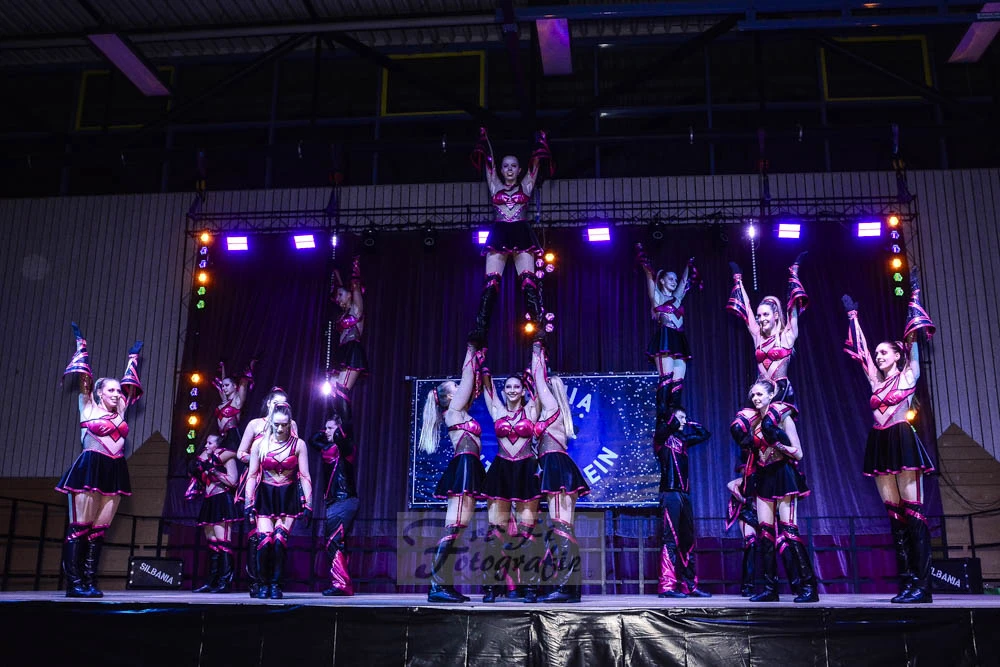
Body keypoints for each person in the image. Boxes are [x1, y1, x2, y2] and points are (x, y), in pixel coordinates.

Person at [842, 266, 936, 604]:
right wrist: (853, 316)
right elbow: (863, 352)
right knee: (895, 516)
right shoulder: (875, 381)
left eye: (885, 352)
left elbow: (913, 340)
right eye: (879, 353)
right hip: (880, 442)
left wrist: (914, 297)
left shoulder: (909, 374)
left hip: (902, 439)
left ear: (897, 355)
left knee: (914, 514)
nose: (879, 356)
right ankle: (907, 582)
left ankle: (923, 586)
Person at [56, 322, 142, 598]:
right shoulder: (88, 406)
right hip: (91, 466)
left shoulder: (121, 411)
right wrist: (81, 346)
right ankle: (74, 584)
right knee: (80, 527)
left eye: (118, 391)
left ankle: (89, 581)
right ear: (99, 392)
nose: (117, 394)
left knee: (98, 531)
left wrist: (133, 358)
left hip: (115, 469)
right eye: (111, 390)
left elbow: (131, 384)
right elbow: (85, 379)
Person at [731, 379, 819, 603]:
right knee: (765, 534)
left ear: (771, 395)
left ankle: (809, 587)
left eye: (760, 394)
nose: (756, 398)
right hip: (764, 477)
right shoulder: (753, 422)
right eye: (753, 395)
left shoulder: (782, 418)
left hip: (783, 475)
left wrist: (777, 444)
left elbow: (798, 453)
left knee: (789, 532)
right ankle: (770, 589)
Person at [468, 127, 555, 346]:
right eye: (506, 166)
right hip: (499, 233)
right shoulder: (494, 184)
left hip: (521, 233)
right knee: (490, 283)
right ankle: (480, 330)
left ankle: (538, 327)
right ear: (502, 169)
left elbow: (535, 164)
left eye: (513, 166)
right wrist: (484, 139)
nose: (509, 169)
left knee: (528, 281)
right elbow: (488, 163)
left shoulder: (526, 185)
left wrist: (541, 142)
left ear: (519, 169)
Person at [418, 343, 489, 603]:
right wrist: (469, 351)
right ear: (449, 397)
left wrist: (478, 358)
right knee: (454, 526)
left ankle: (443, 585)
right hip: (464, 466)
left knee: (457, 528)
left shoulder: (461, 411)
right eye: (455, 388)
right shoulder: (453, 412)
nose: (461, 389)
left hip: (469, 465)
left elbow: (473, 383)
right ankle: (437, 586)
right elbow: (468, 379)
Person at [530, 342, 590, 603]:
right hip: (556, 465)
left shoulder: (553, 407)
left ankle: (566, 588)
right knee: (562, 527)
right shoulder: (553, 412)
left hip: (557, 465)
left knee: (562, 527)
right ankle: (569, 588)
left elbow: (537, 377)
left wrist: (537, 351)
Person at [479, 365, 541, 603]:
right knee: (496, 531)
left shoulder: (532, 409)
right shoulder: (497, 409)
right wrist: (482, 366)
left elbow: (540, 387)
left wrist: (538, 355)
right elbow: (488, 387)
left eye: (517, 386)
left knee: (527, 532)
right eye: (508, 387)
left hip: (525, 469)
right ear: (503, 391)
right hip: (501, 470)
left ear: (523, 390)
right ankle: (490, 588)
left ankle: (531, 588)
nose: (513, 390)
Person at [243, 404, 312, 600]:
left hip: (287, 496)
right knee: (265, 542)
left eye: (284, 425)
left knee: (280, 541)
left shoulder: (299, 445)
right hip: (266, 495)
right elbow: (252, 475)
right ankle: (263, 583)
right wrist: (248, 503)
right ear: (270, 424)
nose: (280, 429)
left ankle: (276, 584)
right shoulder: (259, 445)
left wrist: (309, 504)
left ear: (290, 423)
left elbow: (305, 475)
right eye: (276, 425)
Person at [236, 387, 298, 597]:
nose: (278, 406)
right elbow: (240, 453)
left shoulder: (290, 425)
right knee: (257, 536)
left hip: (280, 484)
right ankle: (256, 582)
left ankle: (274, 582)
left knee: (278, 538)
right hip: (257, 481)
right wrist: (260, 458)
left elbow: (294, 452)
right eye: (275, 403)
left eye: (282, 403)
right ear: (268, 404)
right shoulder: (255, 424)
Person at [727, 253, 808, 408]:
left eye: (765, 315)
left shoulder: (787, 336)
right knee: (740, 422)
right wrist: (738, 279)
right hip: (761, 390)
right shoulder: (757, 335)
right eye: (759, 316)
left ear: (775, 315)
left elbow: (793, 308)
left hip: (781, 390)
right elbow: (747, 310)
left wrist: (794, 273)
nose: (761, 319)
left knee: (772, 421)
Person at [654, 408, 712, 599]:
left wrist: (689, 421)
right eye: (681, 417)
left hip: (684, 494)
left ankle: (689, 585)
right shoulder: (662, 438)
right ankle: (666, 586)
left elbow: (704, 434)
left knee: (687, 540)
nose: (684, 421)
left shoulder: (683, 440)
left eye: (685, 418)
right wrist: (674, 418)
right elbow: (667, 424)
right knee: (670, 540)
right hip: (670, 493)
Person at [636, 244, 700, 416]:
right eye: (670, 279)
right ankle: (662, 419)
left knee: (678, 383)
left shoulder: (677, 299)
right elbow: (649, 276)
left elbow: (685, 281)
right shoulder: (657, 297)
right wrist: (644, 262)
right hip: (665, 338)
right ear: (662, 281)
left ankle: (675, 418)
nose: (674, 281)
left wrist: (688, 265)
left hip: (678, 339)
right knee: (666, 378)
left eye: (675, 279)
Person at [307, 413, 359, 596]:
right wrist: (326, 431)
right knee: (335, 542)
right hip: (334, 502)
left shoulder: (346, 447)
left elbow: (342, 433)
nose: (326, 431)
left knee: (333, 542)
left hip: (344, 500)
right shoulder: (327, 447)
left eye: (330, 428)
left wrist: (338, 427)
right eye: (326, 428)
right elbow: (312, 439)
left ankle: (342, 585)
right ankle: (341, 583)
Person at [185, 433, 239, 593]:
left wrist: (214, 472)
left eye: (210, 443)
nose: (206, 445)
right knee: (212, 544)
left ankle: (225, 582)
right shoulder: (206, 460)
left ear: (218, 445)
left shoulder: (227, 458)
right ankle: (211, 582)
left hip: (222, 500)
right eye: (206, 443)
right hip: (209, 501)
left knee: (223, 542)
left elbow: (233, 481)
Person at [329, 256, 367, 424]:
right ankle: (336, 423)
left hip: (352, 350)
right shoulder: (344, 313)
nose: (338, 298)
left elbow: (355, 286)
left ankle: (345, 428)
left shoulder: (356, 308)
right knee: (333, 391)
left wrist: (355, 265)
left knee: (341, 389)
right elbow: (340, 286)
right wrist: (336, 272)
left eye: (340, 295)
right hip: (343, 351)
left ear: (350, 294)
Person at [726, 462, 759, 597]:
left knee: (775, 545)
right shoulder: (741, 481)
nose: (744, 471)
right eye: (742, 469)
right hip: (748, 514)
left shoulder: (761, 478)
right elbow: (730, 485)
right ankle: (747, 587)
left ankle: (793, 585)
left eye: (745, 468)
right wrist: (744, 500)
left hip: (766, 513)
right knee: (751, 544)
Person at [212, 359, 255, 451]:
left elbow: (243, 384)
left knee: (216, 457)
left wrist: (251, 366)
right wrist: (223, 367)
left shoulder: (237, 401)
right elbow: (223, 381)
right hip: (223, 437)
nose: (224, 388)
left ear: (235, 386)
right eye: (223, 386)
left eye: (227, 385)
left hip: (233, 438)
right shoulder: (224, 401)